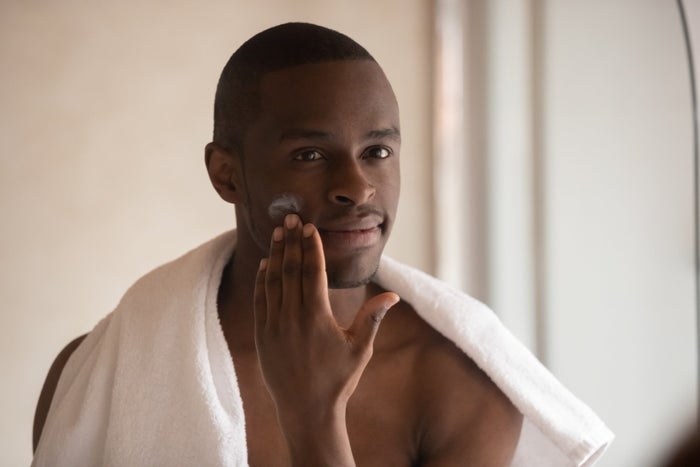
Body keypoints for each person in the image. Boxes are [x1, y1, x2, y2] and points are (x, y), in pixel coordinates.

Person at [32, 23, 611, 466]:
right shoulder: (100, 374)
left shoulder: (454, 381)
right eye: (309, 155)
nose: (357, 187)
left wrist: (313, 420)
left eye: (377, 152)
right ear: (227, 175)